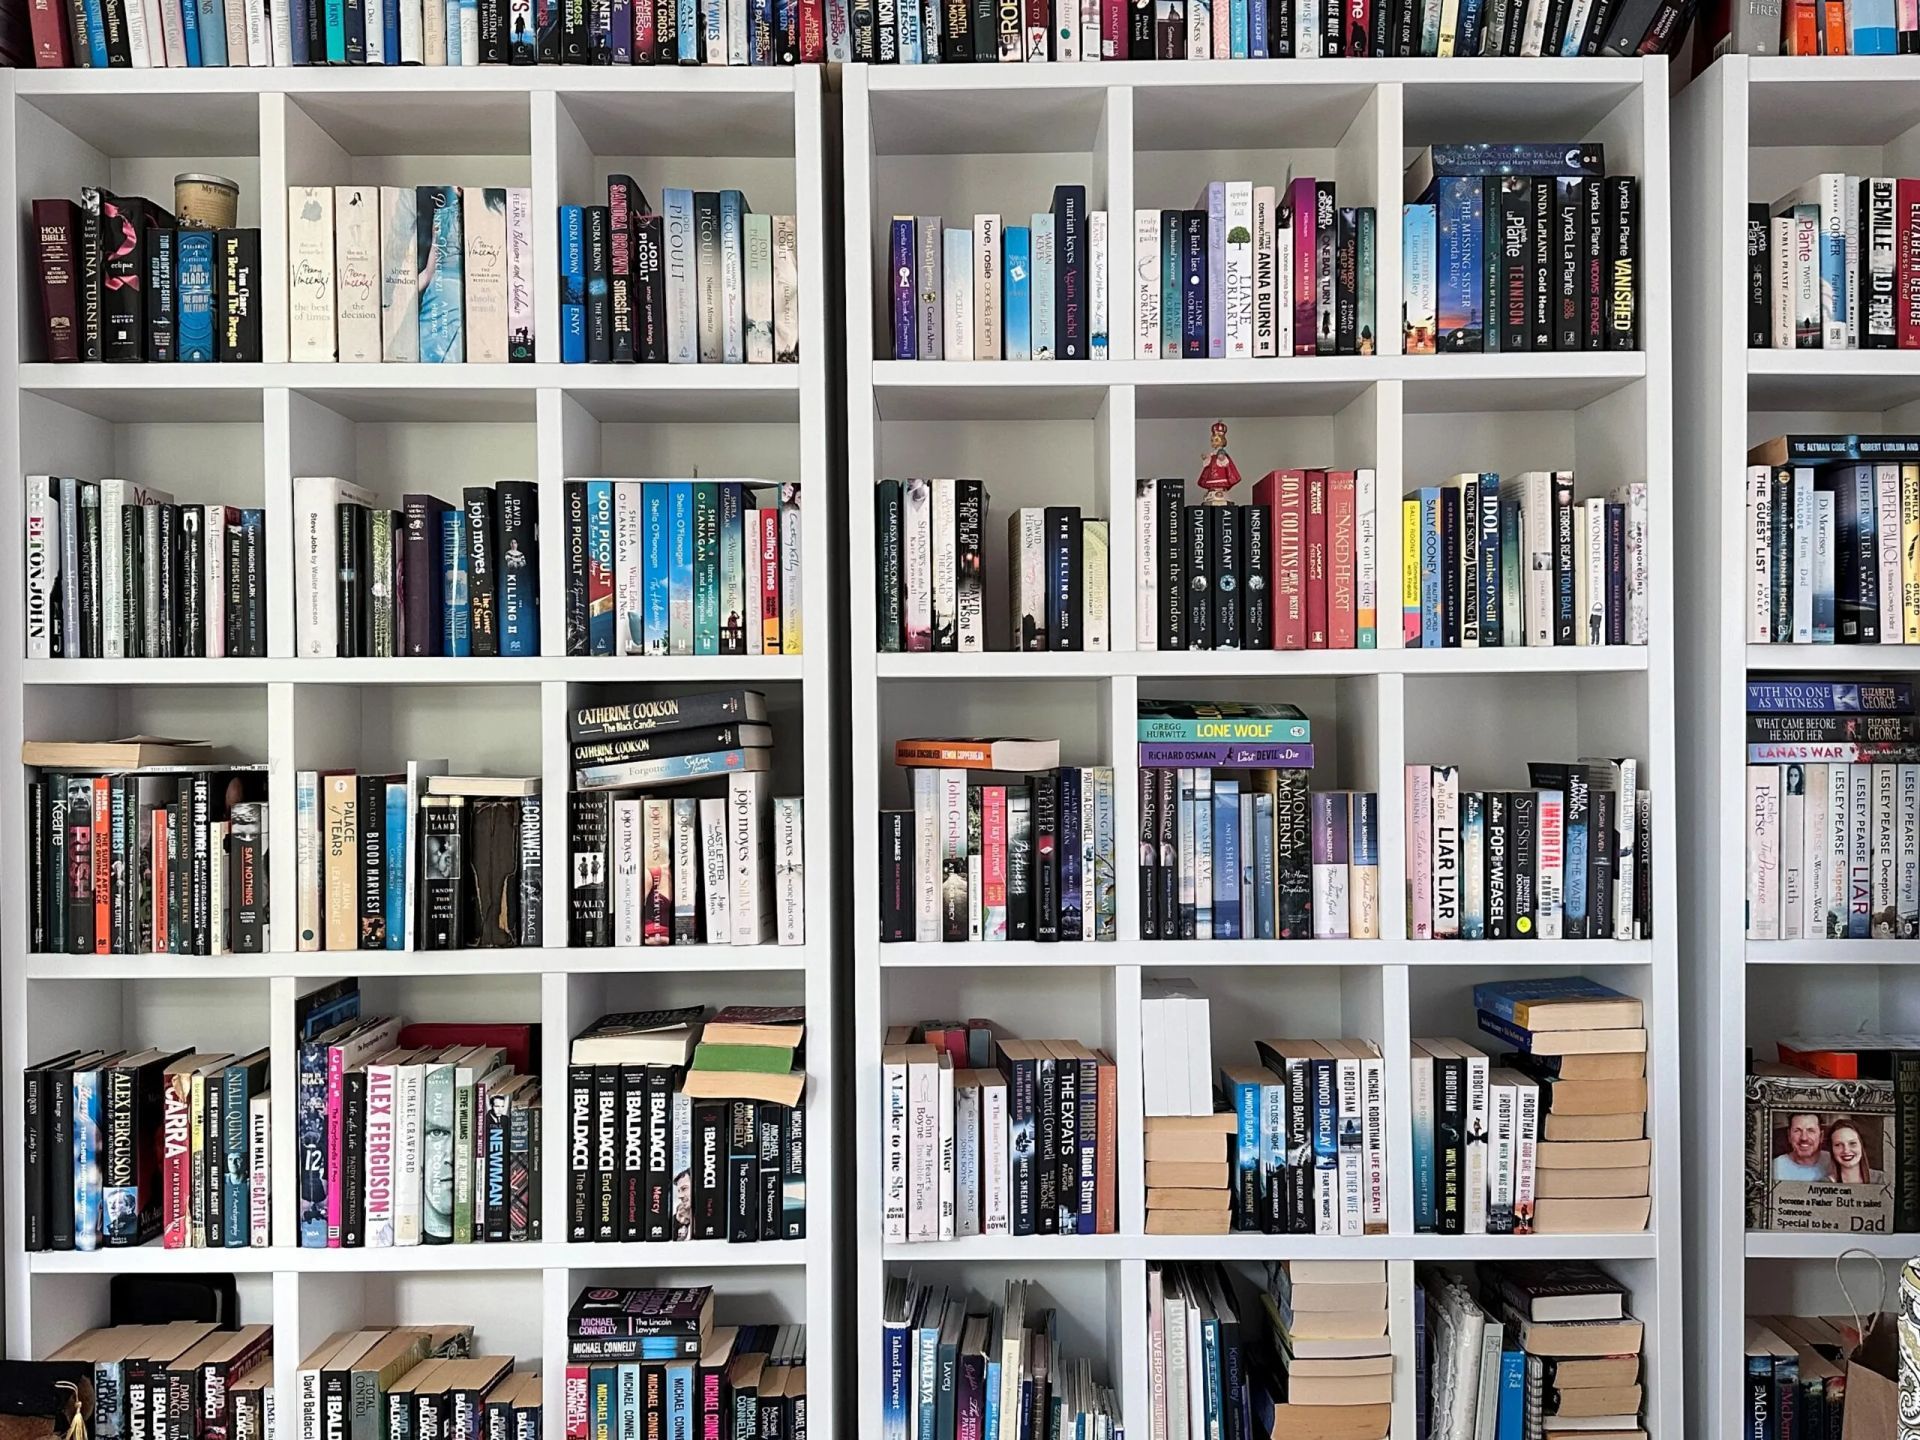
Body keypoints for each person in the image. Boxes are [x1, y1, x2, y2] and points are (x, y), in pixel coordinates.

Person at [1773, 1111, 1835, 1182]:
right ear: (1789, 1136)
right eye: (1797, 1131)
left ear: (1821, 1136)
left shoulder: (1835, 1162)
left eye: (1810, 1130)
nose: (1804, 1138)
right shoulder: (1775, 1167)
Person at [1828, 1117, 1883, 1185]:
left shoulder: (1882, 1179)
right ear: (1832, 1149)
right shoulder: (1823, 1183)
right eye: (1838, 1145)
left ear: (1861, 1145)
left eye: (1852, 1143)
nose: (1846, 1150)